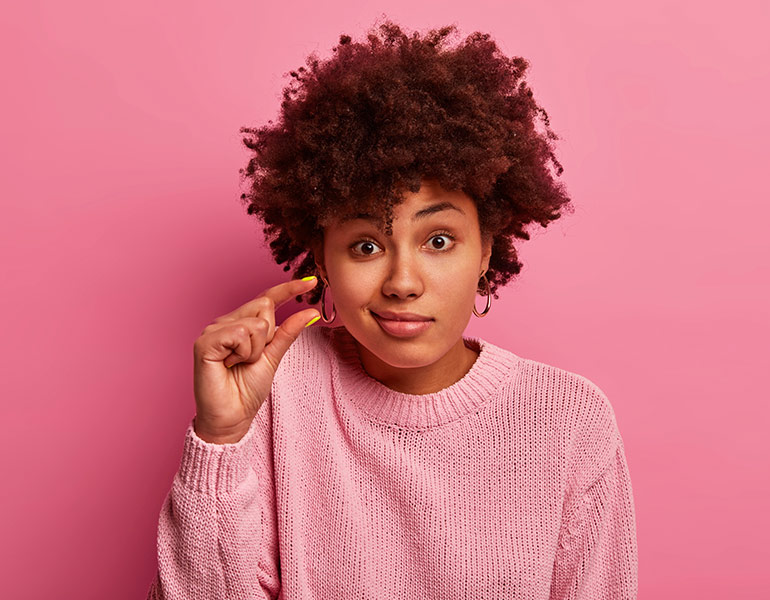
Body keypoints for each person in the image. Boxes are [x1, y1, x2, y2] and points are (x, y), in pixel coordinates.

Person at [147, 18, 638, 599]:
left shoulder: (569, 421)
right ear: (322, 260)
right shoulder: (277, 388)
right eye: (366, 246)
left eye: (438, 241)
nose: (402, 282)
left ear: (486, 249)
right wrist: (221, 438)